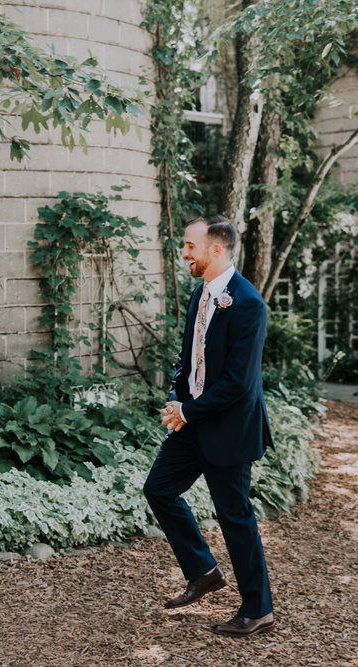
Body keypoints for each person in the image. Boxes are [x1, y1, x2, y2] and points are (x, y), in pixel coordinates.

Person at [143, 215, 275, 637]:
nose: (184, 254)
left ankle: (258, 609)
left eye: (189, 247)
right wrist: (177, 398)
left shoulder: (249, 304)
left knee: (235, 517)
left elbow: (238, 382)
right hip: (192, 421)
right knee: (159, 490)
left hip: (228, 428)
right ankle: (203, 570)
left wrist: (188, 411)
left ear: (216, 249)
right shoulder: (200, 294)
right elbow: (190, 355)